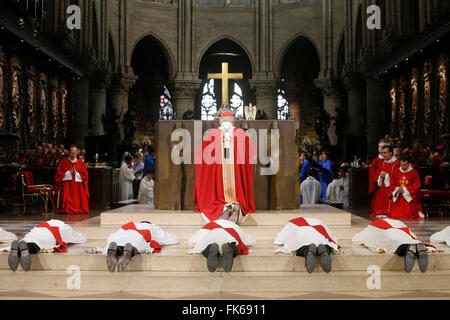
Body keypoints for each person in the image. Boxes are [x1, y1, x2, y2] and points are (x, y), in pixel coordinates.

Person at [194, 111, 256, 224]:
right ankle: (236, 206)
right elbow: (250, 153)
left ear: (220, 121)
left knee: (217, 192)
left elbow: (200, 154)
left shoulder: (212, 133)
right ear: (232, 121)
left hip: (219, 175)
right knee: (236, 187)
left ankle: (226, 208)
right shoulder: (241, 133)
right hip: (236, 173)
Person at [352, 218, 437, 272]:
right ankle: (411, 244)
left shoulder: (369, 229)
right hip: (400, 229)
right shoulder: (397, 222)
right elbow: (412, 234)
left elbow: (356, 239)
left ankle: (405, 247)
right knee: (400, 237)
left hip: (382, 230)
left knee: (390, 239)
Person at [5, 219, 87, 271]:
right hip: (50, 234)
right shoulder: (64, 227)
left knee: (31, 240)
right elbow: (81, 238)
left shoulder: (43, 224)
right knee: (39, 244)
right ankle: (24, 249)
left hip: (37, 231)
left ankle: (19, 248)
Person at [98, 221, 179, 272]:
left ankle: (114, 250)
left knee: (116, 241)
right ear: (149, 223)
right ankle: (130, 251)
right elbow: (174, 239)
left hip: (119, 236)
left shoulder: (129, 224)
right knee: (140, 245)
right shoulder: (152, 227)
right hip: (137, 238)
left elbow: (111, 236)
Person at [274, 217, 341, 273]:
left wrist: (279, 242)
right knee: (325, 243)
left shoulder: (291, 223)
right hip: (319, 235)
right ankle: (325, 249)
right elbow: (331, 236)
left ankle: (309, 250)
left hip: (301, 235)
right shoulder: (320, 222)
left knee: (300, 246)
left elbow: (279, 241)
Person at [187, 218, 256, 272]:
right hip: (230, 232)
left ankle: (210, 249)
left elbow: (197, 239)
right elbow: (246, 239)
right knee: (233, 242)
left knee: (205, 245)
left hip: (212, 232)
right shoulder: (233, 225)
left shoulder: (209, 224)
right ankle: (230, 248)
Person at [54, 145, 90, 214]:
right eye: (71, 153)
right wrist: (68, 173)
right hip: (67, 185)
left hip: (78, 186)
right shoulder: (63, 162)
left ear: (77, 153)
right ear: (69, 153)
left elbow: (85, 177)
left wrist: (76, 174)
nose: (73, 155)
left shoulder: (81, 163)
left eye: (74, 153)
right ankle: (65, 209)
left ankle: (79, 208)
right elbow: (58, 175)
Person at [389, 155, 424, 219]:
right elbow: (392, 183)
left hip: (409, 198)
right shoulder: (396, 171)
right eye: (401, 165)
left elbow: (417, 187)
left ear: (409, 163)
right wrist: (397, 189)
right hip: (398, 196)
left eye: (405, 165)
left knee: (409, 215)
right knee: (395, 215)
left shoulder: (414, 172)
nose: (403, 167)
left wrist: (405, 189)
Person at [370, 145, 399, 218]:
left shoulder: (397, 163)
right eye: (382, 153)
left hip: (391, 187)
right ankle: (382, 211)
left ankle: (388, 211)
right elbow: (377, 172)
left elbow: (397, 175)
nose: (383, 155)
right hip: (382, 187)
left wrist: (387, 175)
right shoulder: (382, 162)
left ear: (391, 153)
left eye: (385, 152)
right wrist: (380, 175)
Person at [369, 140, 387, 215]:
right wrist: (379, 175)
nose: (381, 149)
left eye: (383, 147)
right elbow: (372, 173)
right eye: (379, 147)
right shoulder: (376, 161)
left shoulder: (390, 159)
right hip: (378, 184)